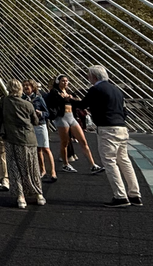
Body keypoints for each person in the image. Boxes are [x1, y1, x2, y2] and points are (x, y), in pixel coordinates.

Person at [80, 65, 141, 207]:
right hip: (121, 127)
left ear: (94, 77)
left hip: (107, 128)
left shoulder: (96, 89)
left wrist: (69, 99)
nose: (88, 78)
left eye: (89, 76)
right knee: (124, 161)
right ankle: (135, 194)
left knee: (109, 161)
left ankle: (120, 196)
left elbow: (83, 104)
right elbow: (124, 111)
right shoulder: (117, 90)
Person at [0, 79, 45, 209]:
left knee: (14, 168)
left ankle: (20, 196)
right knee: (32, 167)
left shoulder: (4, 102)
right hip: (28, 139)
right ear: (20, 89)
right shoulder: (28, 104)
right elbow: (35, 121)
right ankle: (38, 194)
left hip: (11, 138)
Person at [45, 75, 102, 174]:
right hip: (62, 118)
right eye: (63, 81)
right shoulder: (54, 92)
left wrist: (71, 98)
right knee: (65, 142)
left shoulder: (69, 93)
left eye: (66, 81)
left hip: (71, 117)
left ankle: (93, 165)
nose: (65, 83)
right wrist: (68, 98)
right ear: (58, 82)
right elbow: (57, 100)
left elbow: (77, 102)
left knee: (83, 141)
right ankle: (65, 164)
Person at [24, 80, 57, 182]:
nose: (25, 87)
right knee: (37, 150)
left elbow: (48, 113)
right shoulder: (23, 99)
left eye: (28, 85)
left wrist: (41, 113)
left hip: (40, 125)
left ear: (33, 87)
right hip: (30, 127)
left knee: (46, 148)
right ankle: (42, 170)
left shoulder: (39, 98)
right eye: (24, 85)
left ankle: (53, 171)